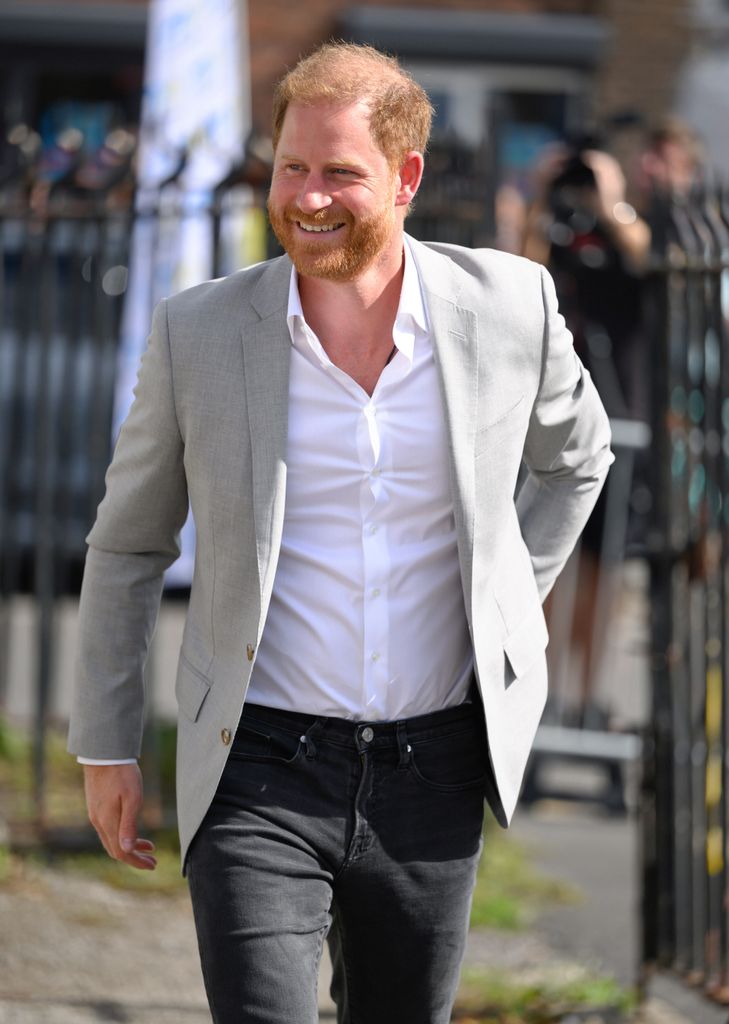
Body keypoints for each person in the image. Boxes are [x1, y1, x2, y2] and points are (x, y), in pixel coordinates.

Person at [68, 42, 612, 1024]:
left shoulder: (509, 307)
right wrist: (106, 743)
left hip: (434, 771)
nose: (306, 197)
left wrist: (508, 590)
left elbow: (580, 456)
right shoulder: (201, 332)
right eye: (290, 167)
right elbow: (128, 542)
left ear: (405, 178)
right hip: (259, 765)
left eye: (339, 173)